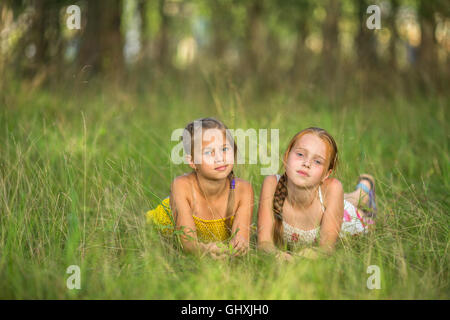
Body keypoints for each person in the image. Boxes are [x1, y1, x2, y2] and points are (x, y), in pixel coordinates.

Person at [257, 127, 376, 260]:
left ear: (326, 174)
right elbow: (263, 242)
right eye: (300, 154)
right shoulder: (271, 184)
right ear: (286, 157)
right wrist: (277, 255)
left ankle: (365, 188)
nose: (306, 163)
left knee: (356, 206)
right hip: (325, 199)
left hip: (346, 218)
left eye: (317, 161)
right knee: (346, 199)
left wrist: (303, 256)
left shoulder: (333, 188)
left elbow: (326, 248)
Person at [146, 118, 254, 259]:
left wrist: (238, 247)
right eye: (209, 152)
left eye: (225, 149)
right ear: (192, 161)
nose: (220, 158)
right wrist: (205, 250)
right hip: (160, 232)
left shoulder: (243, 190)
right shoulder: (182, 186)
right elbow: (187, 243)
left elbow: (241, 238)